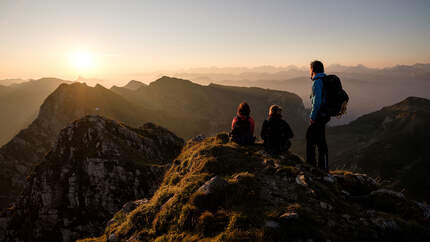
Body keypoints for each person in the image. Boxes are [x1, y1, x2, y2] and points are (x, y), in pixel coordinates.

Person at [307, 60, 331, 172]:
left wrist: (312, 116)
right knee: (320, 140)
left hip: (319, 115)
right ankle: (322, 166)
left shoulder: (317, 82)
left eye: (310, 69)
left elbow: (317, 102)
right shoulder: (325, 80)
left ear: (313, 69)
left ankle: (314, 166)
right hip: (325, 114)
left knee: (312, 139)